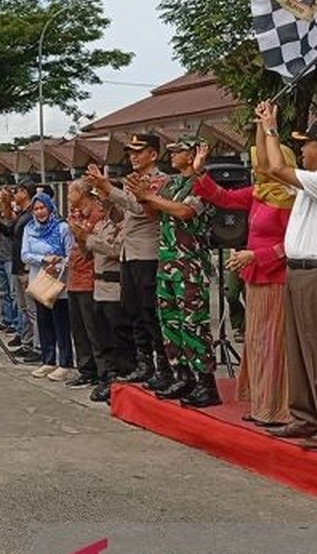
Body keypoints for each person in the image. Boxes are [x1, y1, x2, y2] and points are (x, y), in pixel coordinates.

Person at [255, 101, 317, 450]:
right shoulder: (316, 180)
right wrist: (262, 124)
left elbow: (279, 168)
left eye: (306, 144)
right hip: (301, 272)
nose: (301, 149)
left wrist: (271, 129)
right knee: (298, 348)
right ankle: (305, 417)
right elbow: (268, 166)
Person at [192, 134, 296, 426]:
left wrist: (256, 256)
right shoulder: (260, 192)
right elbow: (222, 197)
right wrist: (198, 171)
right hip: (255, 277)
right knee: (256, 342)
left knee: (273, 343)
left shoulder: (291, 198)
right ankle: (261, 401)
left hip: (276, 277)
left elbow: (291, 245)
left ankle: (277, 407)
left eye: (260, 162)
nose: (255, 168)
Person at [126, 136, 218, 407]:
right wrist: (144, 199)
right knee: (170, 322)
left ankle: (206, 383)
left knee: (193, 323)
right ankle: (183, 375)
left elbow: (185, 211)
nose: (172, 154)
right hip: (167, 261)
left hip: (189, 263)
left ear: (192, 155)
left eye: (178, 150)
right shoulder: (172, 183)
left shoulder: (201, 183)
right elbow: (158, 214)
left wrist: (150, 197)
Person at [87, 134, 171, 389]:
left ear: (153, 155)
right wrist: (106, 194)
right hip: (129, 252)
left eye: (139, 151)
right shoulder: (131, 181)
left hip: (148, 253)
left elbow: (141, 207)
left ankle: (164, 366)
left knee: (149, 311)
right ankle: (143, 363)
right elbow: (124, 212)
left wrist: (109, 188)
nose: (133, 156)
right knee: (133, 311)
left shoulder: (161, 180)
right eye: (130, 152)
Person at [65, 180, 115, 391]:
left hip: (89, 278)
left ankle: (101, 372)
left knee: (93, 329)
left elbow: (90, 248)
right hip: (74, 277)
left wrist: (79, 233)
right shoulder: (75, 214)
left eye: (70, 192)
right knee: (78, 329)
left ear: (80, 192)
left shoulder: (96, 215)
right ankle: (85, 369)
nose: (68, 196)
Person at [21, 193, 75, 380]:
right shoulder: (29, 228)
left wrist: (58, 265)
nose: (39, 212)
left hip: (59, 282)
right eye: (36, 209)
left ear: (50, 207)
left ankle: (65, 362)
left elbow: (71, 254)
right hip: (39, 282)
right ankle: (48, 361)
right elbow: (25, 254)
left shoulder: (63, 228)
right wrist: (43, 259)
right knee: (43, 323)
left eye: (42, 207)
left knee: (61, 323)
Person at [82, 194, 130, 403]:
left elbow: (117, 250)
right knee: (101, 339)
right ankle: (108, 377)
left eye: (104, 198)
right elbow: (88, 253)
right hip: (98, 289)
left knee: (118, 338)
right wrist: (81, 237)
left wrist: (90, 240)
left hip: (115, 289)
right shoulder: (103, 225)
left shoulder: (126, 224)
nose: (100, 202)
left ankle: (120, 379)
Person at [3, 183, 40, 360]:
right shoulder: (22, 215)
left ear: (25, 193)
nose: (14, 195)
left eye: (16, 191)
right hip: (18, 266)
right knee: (23, 308)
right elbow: (9, 229)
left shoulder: (32, 214)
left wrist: (27, 267)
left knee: (32, 310)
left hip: (26, 267)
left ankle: (38, 347)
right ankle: (27, 342)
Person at [0, 187, 21, 336]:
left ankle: (16, 321)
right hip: (0, 255)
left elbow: (10, 231)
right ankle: (7, 318)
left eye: (2, 199)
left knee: (13, 291)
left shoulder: (13, 215)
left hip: (10, 256)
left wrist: (2, 223)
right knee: (3, 290)